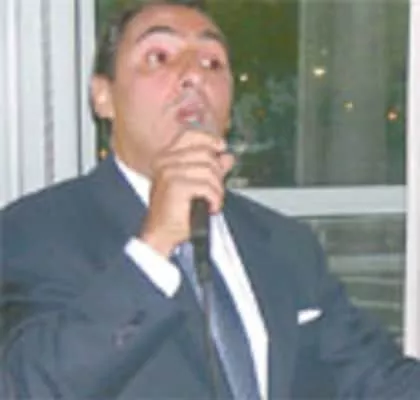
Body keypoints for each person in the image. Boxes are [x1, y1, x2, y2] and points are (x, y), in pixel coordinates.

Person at [1, 0, 420, 398]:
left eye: (212, 62)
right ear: (102, 96)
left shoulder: (285, 244)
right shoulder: (34, 232)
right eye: (159, 57)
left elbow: (375, 378)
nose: (193, 75)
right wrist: (153, 248)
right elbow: (30, 387)